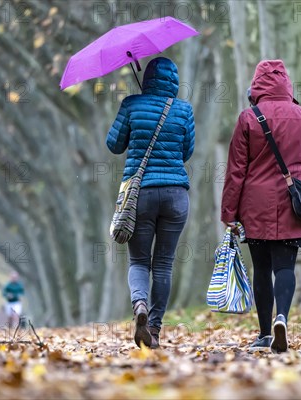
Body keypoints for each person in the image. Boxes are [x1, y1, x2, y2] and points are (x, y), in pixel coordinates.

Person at [221, 60, 301, 353]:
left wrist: (229, 212)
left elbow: (236, 171)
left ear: (256, 86)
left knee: (262, 268)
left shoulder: (248, 118)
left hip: (255, 205)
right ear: (286, 84)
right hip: (294, 202)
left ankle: (265, 334)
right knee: (285, 267)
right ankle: (283, 318)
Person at [107, 57, 195, 349]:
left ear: (146, 81)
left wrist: (134, 117)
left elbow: (114, 144)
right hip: (175, 195)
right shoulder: (183, 110)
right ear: (174, 81)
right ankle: (155, 329)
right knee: (164, 265)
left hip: (140, 194)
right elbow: (186, 152)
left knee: (139, 261)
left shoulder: (131, 104)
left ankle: (140, 305)